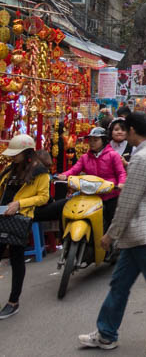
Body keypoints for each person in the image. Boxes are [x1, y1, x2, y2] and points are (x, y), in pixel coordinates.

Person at [78, 113, 146, 350]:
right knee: (120, 284)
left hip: (141, 234)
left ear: (133, 131)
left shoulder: (141, 158)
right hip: (145, 233)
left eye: (127, 130)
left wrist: (110, 234)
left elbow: (128, 202)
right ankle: (106, 332)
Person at [0, 135, 50, 319]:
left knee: (16, 257)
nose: (12, 157)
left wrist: (19, 204)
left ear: (26, 152)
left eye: (16, 154)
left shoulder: (40, 172)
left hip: (20, 218)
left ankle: (13, 302)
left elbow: (43, 197)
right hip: (2, 214)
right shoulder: (10, 169)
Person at [54, 127, 127, 231]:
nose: (92, 143)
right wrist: (64, 175)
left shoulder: (113, 155)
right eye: (90, 140)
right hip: (90, 194)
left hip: (110, 194)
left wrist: (121, 184)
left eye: (95, 140)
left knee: (111, 219)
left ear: (103, 140)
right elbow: (74, 170)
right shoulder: (85, 157)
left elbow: (121, 173)